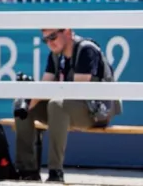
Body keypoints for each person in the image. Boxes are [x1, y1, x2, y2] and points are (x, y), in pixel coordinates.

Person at [14, 29, 122, 183]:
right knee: (22, 105)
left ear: (67, 32)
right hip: (69, 108)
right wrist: (26, 105)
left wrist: (44, 93)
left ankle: (55, 172)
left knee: (56, 105)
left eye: (53, 37)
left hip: (96, 111)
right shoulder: (55, 54)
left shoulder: (86, 49)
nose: (50, 43)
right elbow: (45, 85)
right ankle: (27, 170)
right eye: (46, 40)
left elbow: (77, 91)